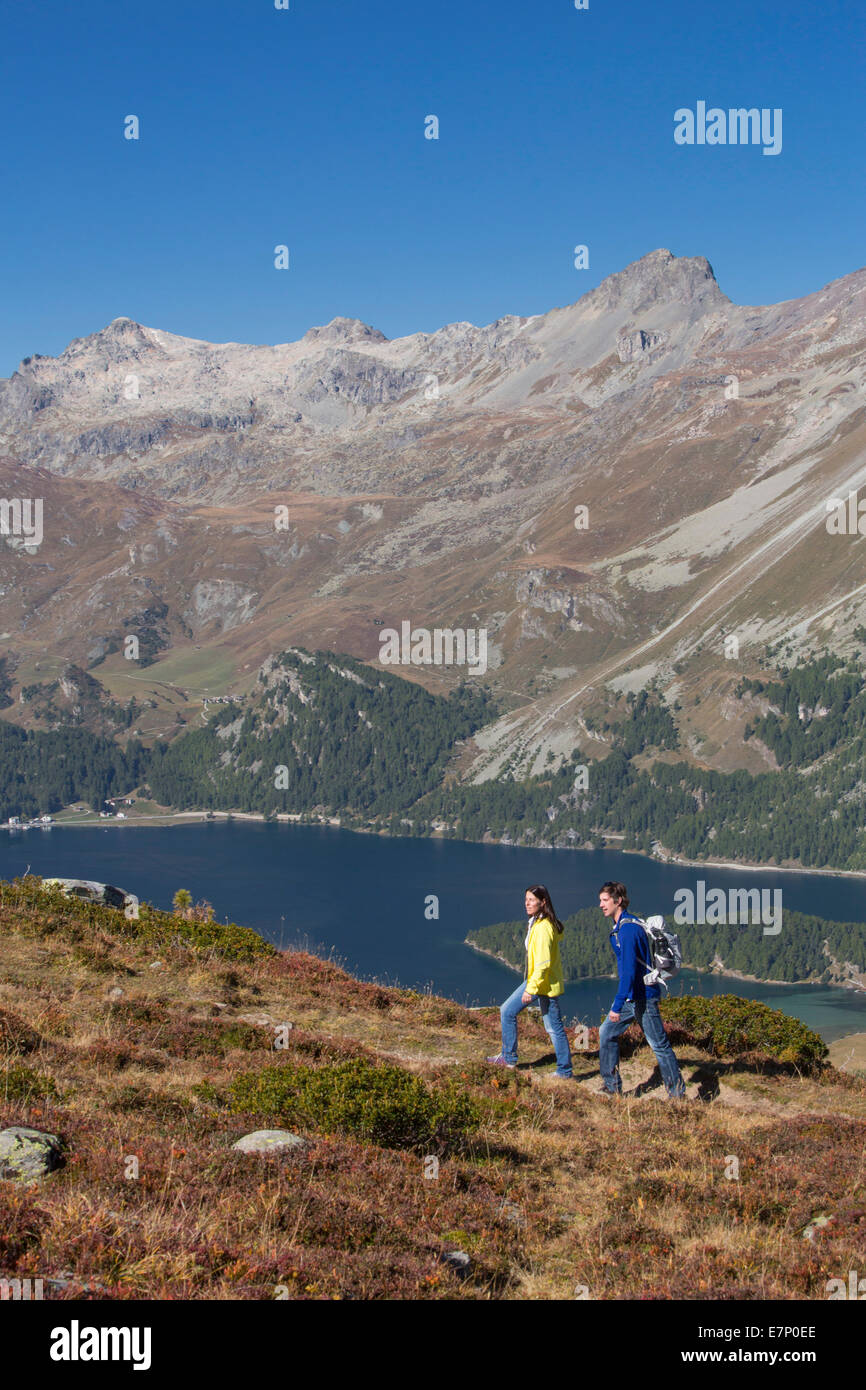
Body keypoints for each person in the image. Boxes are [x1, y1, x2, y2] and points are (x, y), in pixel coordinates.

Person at [597, 880, 686, 1099]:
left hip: (643, 997)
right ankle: (611, 1086)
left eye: (605, 900)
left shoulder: (627, 931)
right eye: (600, 900)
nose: (601, 905)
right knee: (606, 1033)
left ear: (618, 901)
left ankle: (677, 1094)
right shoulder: (629, 924)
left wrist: (616, 1006)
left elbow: (628, 973)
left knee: (659, 1045)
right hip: (634, 996)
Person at [486, 884, 573, 1078]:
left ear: (543, 902)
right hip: (542, 982)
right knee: (553, 1026)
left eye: (532, 900)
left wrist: (530, 989)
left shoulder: (542, 928)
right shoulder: (538, 922)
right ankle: (564, 1069)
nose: (527, 903)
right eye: (526, 899)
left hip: (540, 983)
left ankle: (509, 1059)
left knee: (508, 1011)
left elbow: (542, 963)